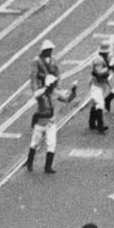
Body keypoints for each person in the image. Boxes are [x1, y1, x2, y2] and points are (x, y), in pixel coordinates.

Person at [27, 39, 78, 173]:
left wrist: (73, 90)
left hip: (51, 122)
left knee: (52, 144)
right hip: (40, 122)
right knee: (34, 143)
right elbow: (36, 92)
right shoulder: (42, 93)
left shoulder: (55, 92)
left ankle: (48, 166)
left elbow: (67, 99)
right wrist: (44, 88)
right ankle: (29, 163)